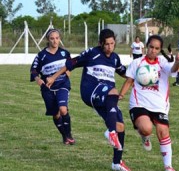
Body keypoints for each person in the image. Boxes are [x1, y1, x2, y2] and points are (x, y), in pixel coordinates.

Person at [46, 29, 131, 171]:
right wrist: (53, 77)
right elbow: (70, 64)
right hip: (90, 90)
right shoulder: (92, 53)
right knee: (113, 91)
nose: (110, 47)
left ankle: (117, 162)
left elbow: (125, 73)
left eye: (112, 43)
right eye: (107, 44)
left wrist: (141, 76)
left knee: (120, 125)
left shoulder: (115, 58)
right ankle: (110, 132)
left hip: (106, 96)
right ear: (100, 44)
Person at [119, 35, 179, 171]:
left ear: (160, 50)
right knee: (146, 128)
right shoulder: (137, 62)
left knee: (163, 131)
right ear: (147, 46)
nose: (153, 50)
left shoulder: (162, 62)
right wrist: (121, 95)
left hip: (159, 105)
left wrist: (177, 62)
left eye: (157, 48)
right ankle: (145, 136)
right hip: (139, 103)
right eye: (151, 47)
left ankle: (168, 166)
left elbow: (172, 70)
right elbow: (129, 80)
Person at [30, 28, 75, 145]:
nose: (55, 41)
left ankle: (69, 134)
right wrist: (38, 80)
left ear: (59, 39)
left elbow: (70, 66)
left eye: (57, 38)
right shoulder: (41, 55)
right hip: (48, 89)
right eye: (52, 38)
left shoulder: (65, 53)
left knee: (63, 109)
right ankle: (64, 136)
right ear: (48, 40)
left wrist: (67, 74)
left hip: (62, 85)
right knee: (55, 114)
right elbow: (33, 70)